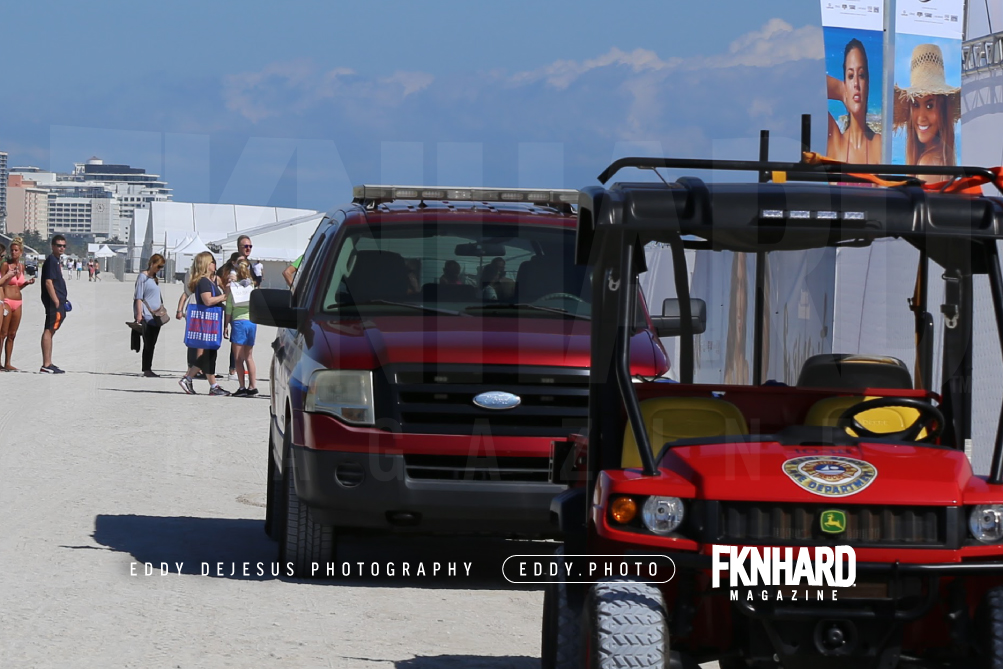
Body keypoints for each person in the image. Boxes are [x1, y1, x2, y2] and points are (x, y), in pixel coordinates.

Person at [893, 43, 960, 183]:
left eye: (930, 105)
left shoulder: (928, 163)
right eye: (916, 105)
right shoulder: (941, 157)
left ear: (942, 109)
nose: (921, 117)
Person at [178, 251, 230, 396]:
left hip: (211, 322)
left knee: (210, 353)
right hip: (207, 322)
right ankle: (197, 381)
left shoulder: (210, 281)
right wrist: (224, 297)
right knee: (209, 352)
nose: (215, 264)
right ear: (206, 264)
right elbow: (207, 301)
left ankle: (204, 383)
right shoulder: (204, 282)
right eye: (212, 262)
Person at [826, 38, 882, 164]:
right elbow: (804, 84)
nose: (856, 83)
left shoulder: (879, 145)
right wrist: (841, 90)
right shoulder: (835, 142)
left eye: (861, 75)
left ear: (867, 84)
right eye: (851, 76)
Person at [225, 259, 259, 397]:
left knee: (238, 358)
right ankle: (253, 386)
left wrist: (225, 325)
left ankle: (242, 387)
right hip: (251, 322)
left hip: (239, 322)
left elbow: (228, 308)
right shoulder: (253, 287)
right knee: (249, 356)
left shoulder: (234, 288)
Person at [1, 238, 36, 371]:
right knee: (2, 333)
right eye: (12, 250)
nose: (13, 253)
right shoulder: (6, 265)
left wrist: (26, 283)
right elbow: (2, 284)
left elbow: (17, 287)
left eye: (16, 250)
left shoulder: (21, 267)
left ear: (21, 252)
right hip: (7, 301)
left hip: (18, 302)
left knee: (12, 334)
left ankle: (8, 362)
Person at [39, 235, 69, 374]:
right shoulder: (51, 261)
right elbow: (48, 282)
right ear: (53, 246)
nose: (61, 248)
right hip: (53, 303)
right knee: (49, 329)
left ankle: (48, 362)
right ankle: (46, 364)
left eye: (63, 245)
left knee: (52, 330)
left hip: (59, 302)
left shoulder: (56, 261)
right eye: (59, 245)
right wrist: (56, 301)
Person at [134, 254, 166, 378]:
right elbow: (138, 297)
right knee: (148, 343)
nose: (159, 269)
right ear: (152, 263)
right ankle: (146, 369)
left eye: (161, 267)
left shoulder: (153, 278)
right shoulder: (143, 277)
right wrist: (138, 315)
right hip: (147, 315)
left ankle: (148, 367)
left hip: (156, 315)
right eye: (158, 266)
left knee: (152, 343)